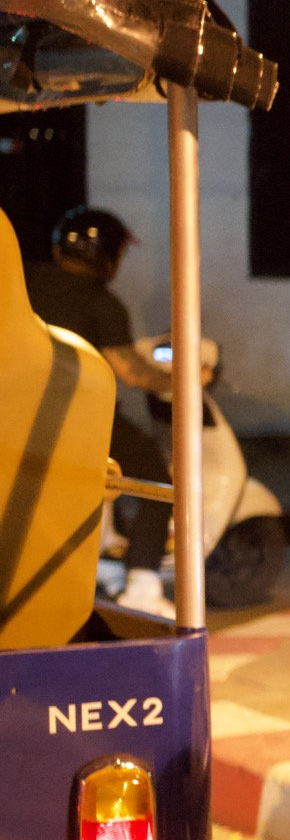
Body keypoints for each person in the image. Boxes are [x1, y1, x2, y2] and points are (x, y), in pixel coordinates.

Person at [24, 207, 174, 619]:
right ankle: (142, 585)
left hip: (16, 415)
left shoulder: (26, 282)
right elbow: (130, 371)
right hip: (76, 420)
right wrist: (179, 380)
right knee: (156, 482)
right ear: (108, 257)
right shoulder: (101, 303)